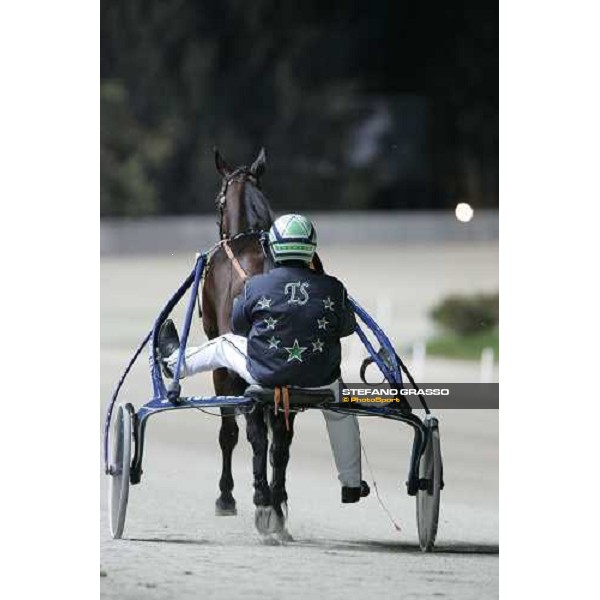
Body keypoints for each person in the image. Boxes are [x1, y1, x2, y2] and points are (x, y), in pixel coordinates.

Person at [158, 214, 369, 503]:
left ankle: (175, 364)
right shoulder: (334, 288)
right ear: (312, 251)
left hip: (265, 374)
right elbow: (346, 327)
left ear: (272, 249)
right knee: (341, 412)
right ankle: (351, 483)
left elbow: (241, 327)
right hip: (321, 382)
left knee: (225, 344)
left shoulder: (255, 288)